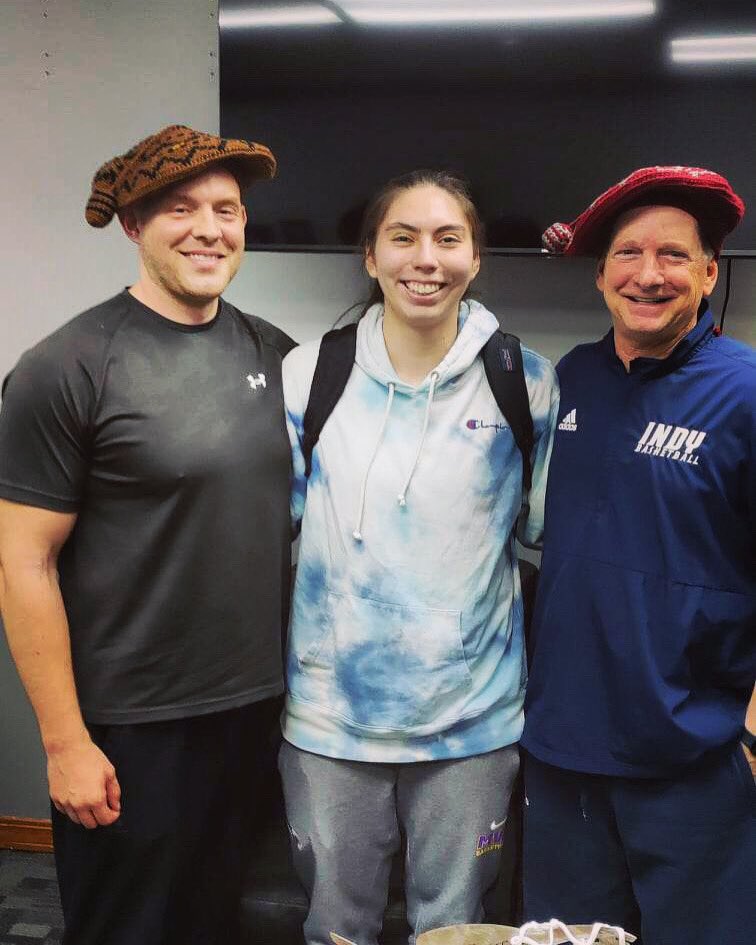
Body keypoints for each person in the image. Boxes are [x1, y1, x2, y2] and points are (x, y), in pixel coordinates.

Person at [0, 124, 296, 945]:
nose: (210, 228)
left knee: (220, 923)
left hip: (251, 714)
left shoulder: (274, 353)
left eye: (227, 209)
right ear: (133, 224)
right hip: (129, 727)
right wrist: (64, 742)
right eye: (181, 209)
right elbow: (22, 561)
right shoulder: (68, 365)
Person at [279, 170, 559, 945]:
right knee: (336, 925)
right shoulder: (310, 373)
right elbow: (281, 527)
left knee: (457, 928)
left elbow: (542, 534)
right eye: (402, 237)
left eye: (447, 238)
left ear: (475, 256)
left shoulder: (525, 382)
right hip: (332, 725)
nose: (424, 258)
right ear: (371, 255)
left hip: (471, 727)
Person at [522, 166, 756, 942]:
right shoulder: (572, 380)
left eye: (674, 256)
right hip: (563, 761)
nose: (648, 275)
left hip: (693, 763)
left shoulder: (745, 393)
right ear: (599, 273)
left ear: (710, 271)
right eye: (628, 253)